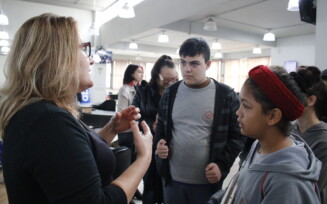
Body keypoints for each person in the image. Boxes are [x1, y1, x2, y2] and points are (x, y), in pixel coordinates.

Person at [0, 13, 152, 204]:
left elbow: (71, 163)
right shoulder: (47, 121)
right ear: (58, 59)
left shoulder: (42, 114)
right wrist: (144, 157)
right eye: (80, 48)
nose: (91, 60)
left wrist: (111, 129)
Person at [155, 37, 245, 204]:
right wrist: (159, 145)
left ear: (208, 64)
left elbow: (237, 136)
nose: (187, 69)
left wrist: (222, 165)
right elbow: (161, 126)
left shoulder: (225, 96)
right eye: (183, 62)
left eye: (194, 63)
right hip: (172, 179)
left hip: (207, 182)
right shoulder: (170, 93)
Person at [223, 65, 321, 203]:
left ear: (273, 116)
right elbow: (236, 189)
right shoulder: (259, 146)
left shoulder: (287, 183)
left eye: (246, 106)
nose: (238, 113)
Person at [132, 55, 178, 204]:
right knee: (150, 187)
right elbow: (134, 117)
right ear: (156, 76)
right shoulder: (143, 91)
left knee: (167, 187)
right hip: (147, 146)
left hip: (169, 147)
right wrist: (151, 124)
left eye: (174, 79)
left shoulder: (177, 92)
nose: (170, 83)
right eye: (166, 80)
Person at [291, 66, 327, 203]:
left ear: (311, 100)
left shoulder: (323, 141)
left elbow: (313, 188)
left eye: (295, 96)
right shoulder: (290, 131)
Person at [117, 64, 144, 162]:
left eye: (142, 73)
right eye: (139, 72)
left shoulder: (140, 89)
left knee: (135, 158)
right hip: (127, 131)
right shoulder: (125, 89)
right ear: (132, 73)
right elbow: (122, 111)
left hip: (136, 129)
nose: (142, 75)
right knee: (127, 159)